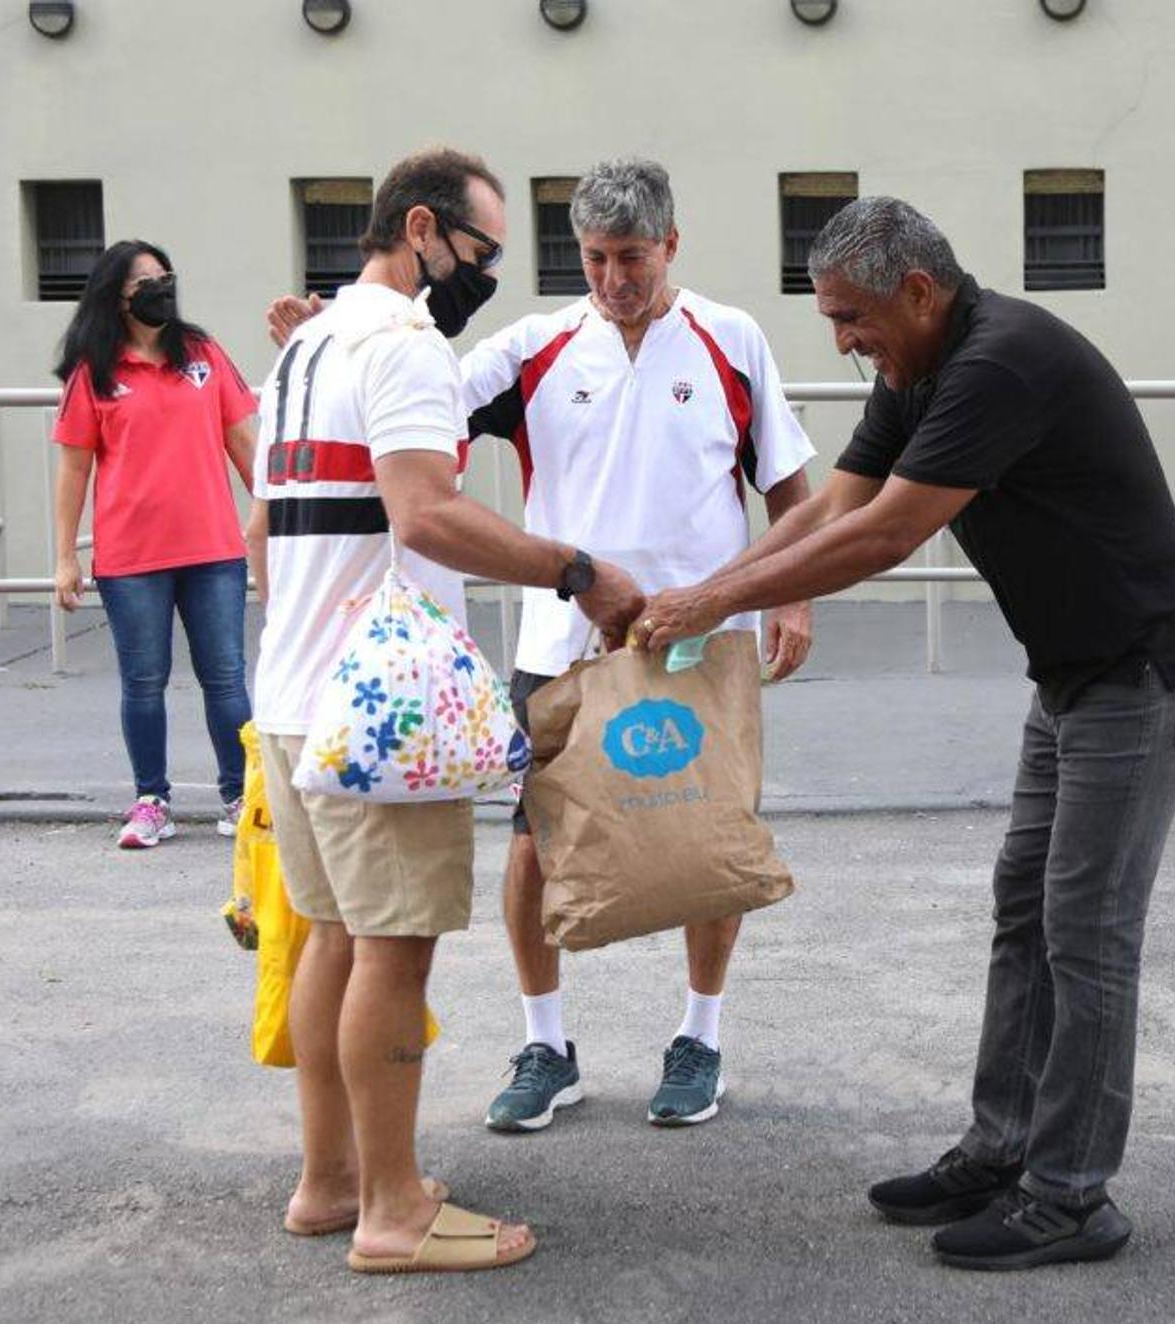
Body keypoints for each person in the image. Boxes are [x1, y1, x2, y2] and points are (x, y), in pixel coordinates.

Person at [632, 196, 1175, 1271]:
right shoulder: (913, 371)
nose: (844, 341)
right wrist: (714, 590)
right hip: (1077, 675)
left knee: (1087, 930)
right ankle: (1004, 1149)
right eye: (830, 320)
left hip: (1146, 673)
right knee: (1026, 908)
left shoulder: (999, 363)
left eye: (853, 317)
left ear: (918, 291)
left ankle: (1071, 1195)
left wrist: (704, 604)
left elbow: (889, 535)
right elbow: (833, 505)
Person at [271, 157, 817, 1134]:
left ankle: (700, 1033)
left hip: (699, 634)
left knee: (708, 838)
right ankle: (546, 1041)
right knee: (533, 843)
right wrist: (332, 343)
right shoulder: (532, 347)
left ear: (672, 245)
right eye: (597, 257)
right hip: (561, 639)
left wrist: (793, 599)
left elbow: (788, 487)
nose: (614, 278)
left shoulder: (732, 340)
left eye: (634, 257)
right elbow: (417, 406)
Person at [247, 147, 644, 1275]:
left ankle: (332, 1182)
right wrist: (577, 570)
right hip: (383, 712)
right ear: (419, 228)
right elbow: (426, 514)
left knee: (333, 934)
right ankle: (392, 1211)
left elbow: (273, 528)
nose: (483, 275)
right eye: (477, 251)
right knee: (394, 950)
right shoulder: (407, 346)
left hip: (293, 690)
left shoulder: (305, 346)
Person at [52, 240, 258, 850]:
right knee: (143, 682)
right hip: (131, 558)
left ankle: (240, 795)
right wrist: (65, 556)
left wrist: (272, 519)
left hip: (213, 551)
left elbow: (244, 442)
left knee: (225, 676)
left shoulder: (201, 354)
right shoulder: (95, 370)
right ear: (116, 295)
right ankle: (151, 801)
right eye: (145, 281)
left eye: (164, 277)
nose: (159, 288)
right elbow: (73, 470)